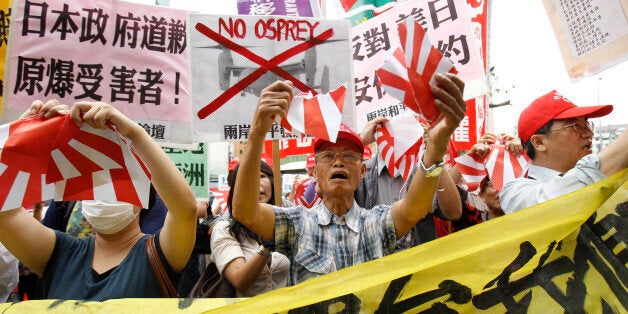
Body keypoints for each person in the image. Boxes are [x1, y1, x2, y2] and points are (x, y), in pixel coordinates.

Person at [232, 74, 466, 285]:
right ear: (313, 173)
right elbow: (245, 212)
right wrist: (257, 133)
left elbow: (414, 209)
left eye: (348, 156)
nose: (338, 162)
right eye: (328, 156)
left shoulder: (377, 222)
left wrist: (436, 147)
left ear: (362, 171)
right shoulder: (297, 223)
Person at [0, 100, 198, 300]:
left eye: (116, 183)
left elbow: (185, 209)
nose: (103, 195)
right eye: (94, 186)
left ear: (143, 199)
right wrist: (21, 139)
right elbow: (3, 212)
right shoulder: (58, 253)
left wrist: (133, 133)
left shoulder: (160, 254)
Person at [500, 90, 628, 213]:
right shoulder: (516, 194)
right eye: (575, 126)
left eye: (587, 124)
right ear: (539, 142)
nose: (589, 133)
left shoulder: (610, 178)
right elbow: (551, 206)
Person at [355, 116, 462, 247]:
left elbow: (454, 212)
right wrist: (360, 142)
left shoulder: (423, 171)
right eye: (389, 128)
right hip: (375, 261)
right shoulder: (361, 173)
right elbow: (324, 192)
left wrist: (435, 153)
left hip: (419, 261)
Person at [210, 161, 290, 297]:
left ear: (272, 181)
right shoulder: (224, 229)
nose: (255, 183)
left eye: (262, 176)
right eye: (247, 179)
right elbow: (240, 281)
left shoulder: (289, 221)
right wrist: (266, 246)